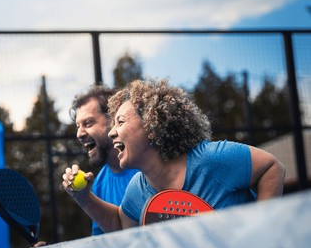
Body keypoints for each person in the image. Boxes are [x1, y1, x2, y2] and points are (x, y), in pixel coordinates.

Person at [62, 78, 286, 233]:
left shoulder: (211, 159)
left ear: (152, 124)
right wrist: (83, 197)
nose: (112, 132)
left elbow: (272, 167)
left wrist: (259, 230)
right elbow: (121, 226)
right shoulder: (138, 188)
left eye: (121, 122)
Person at [68, 84, 139, 235]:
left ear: (113, 122)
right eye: (77, 126)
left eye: (88, 123)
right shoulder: (97, 185)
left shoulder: (148, 167)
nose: (79, 134)